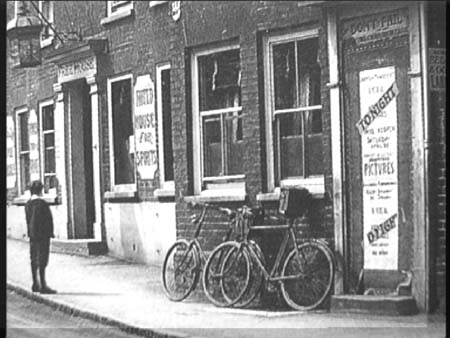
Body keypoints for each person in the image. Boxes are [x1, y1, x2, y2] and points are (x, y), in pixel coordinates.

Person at [25, 180, 57, 294]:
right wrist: (50, 232)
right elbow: (48, 220)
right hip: (43, 235)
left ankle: (35, 283)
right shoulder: (42, 204)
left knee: (34, 258)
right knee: (43, 259)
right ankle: (43, 285)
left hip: (33, 236)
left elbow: (28, 220)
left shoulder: (28, 204)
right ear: (40, 190)